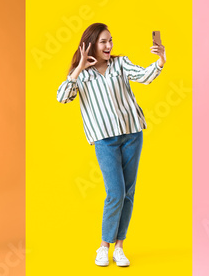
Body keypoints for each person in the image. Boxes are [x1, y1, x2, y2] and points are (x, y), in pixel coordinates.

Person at [56, 22, 166, 267]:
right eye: (103, 41)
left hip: (132, 135)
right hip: (104, 139)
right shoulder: (81, 74)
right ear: (91, 45)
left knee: (128, 193)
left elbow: (145, 77)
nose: (109, 46)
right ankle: (103, 246)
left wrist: (160, 61)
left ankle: (119, 248)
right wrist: (78, 69)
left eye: (110, 41)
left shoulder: (121, 63)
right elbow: (63, 97)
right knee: (115, 192)